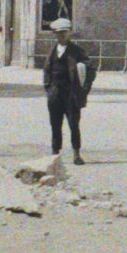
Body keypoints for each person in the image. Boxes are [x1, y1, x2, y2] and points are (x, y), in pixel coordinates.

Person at [43, 18, 94, 163]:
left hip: (71, 93)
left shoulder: (77, 51)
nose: (62, 35)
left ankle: (76, 154)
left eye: (64, 32)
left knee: (73, 124)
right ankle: (55, 153)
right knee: (55, 124)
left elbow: (90, 70)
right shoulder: (52, 51)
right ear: (54, 34)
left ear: (69, 33)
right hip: (55, 92)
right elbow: (47, 70)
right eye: (59, 33)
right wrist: (48, 87)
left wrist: (83, 89)